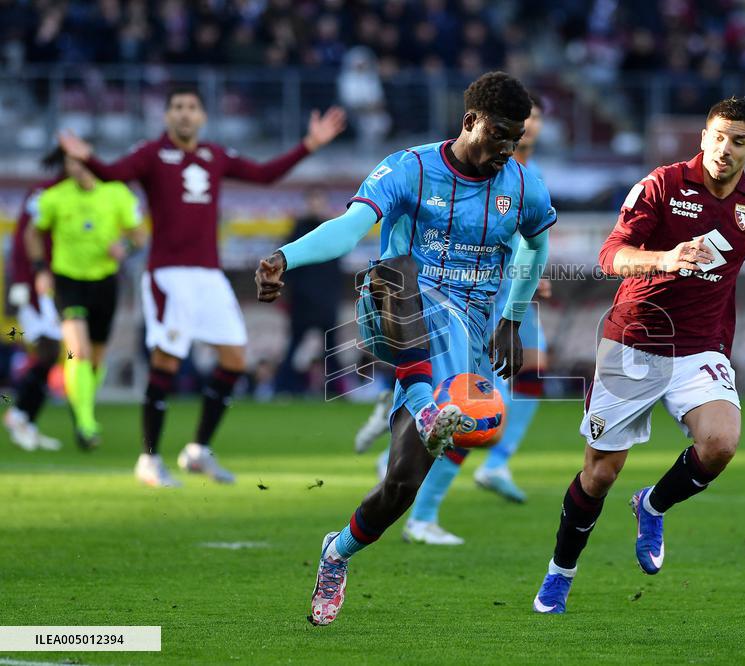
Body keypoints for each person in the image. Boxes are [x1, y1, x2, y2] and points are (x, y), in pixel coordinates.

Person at [255, 72, 555, 624]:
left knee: (400, 485)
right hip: (393, 311)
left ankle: (335, 552)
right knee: (396, 270)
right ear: (470, 122)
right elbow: (349, 230)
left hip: (461, 338)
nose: (506, 150)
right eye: (499, 134)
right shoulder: (408, 170)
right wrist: (285, 258)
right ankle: (426, 409)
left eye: (516, 139)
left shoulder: (524, 188)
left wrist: (513, 315)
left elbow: (537, 245)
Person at [532, 97, 745, 614]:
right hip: (634, 342)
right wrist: (666, 258)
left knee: (721, 443)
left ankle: (652, 504)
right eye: (718, 136)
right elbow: (611, 254)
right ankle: (559, 573)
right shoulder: (662, 185)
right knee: (600, 474)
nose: (725, 149)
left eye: (738, 141)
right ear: (703, 138)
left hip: (701, 345)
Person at [59, 87, 346, 487]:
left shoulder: (214, 155)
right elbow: (111, 174)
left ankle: (198, 450)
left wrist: (309, 145)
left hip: (209, 276)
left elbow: (264, 175)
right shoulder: (151, 154)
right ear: (167, 116)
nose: (184, 114)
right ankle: (149, 457)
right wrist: (86, 155)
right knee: (167, 363)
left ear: (202, 117)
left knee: (233, 359)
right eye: (177, 107)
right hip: (168, 275)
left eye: (191, 108)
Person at [392, 95, 551, 546]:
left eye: (534, 120)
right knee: (474, 405)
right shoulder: (472, 167)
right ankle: (421, 505)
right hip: (470, 294)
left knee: (530, 372)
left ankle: (493, 461)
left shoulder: (525, 175)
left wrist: (527, 281)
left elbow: (531, 240)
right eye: (524, 121)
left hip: (505, 295)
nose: (530, 127)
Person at [24, 148, 143, 450]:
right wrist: (40, 270)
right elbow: (32, 234)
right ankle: (86, 423)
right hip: (68, 281)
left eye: (81, 161)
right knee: (79, 350)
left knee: (96, 359)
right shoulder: (54, 197)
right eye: (70, 162)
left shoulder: (116, 193)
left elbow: (139, 234)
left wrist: (126, 247)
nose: (77, 168)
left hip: (104, 282)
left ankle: (81, 406)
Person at [3, 149, 65, 452]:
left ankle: (25, 418)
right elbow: (21, 241)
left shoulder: (71, 195)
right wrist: (18, 284)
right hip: (34, 286)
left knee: (51, 353)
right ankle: (18, 415)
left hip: (51, 286)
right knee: (48, 351)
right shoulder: (44, 194)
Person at [274, 188, 343, 395]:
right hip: (302, 301)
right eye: (312, 200)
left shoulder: (332, 229)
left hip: (326, 301)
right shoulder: (297, 229)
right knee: (293, 346)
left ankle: (336, 390)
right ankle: (284, 389)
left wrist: (333, 296)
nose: (315, 205)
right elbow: (285, 264)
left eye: (318, 200)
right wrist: (286, 294)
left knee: (331, 349)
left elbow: (336, 267)